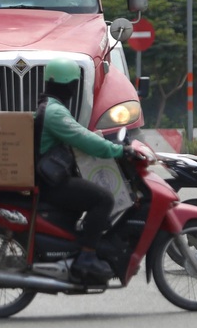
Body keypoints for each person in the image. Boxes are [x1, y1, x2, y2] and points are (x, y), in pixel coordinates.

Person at [36, 58, 141, 283]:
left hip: (50, 176)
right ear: (69, 86)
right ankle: (87, 256)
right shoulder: (55, 113)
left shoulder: (52, 107)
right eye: (74, 86)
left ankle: (79, 244)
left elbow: (81, 134)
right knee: (103, 199)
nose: (74, 91)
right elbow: (83, 139)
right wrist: (120, 151)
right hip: (50, 182)